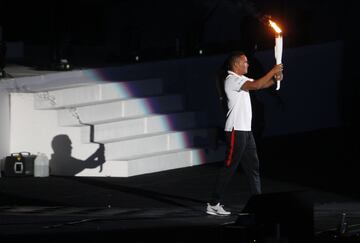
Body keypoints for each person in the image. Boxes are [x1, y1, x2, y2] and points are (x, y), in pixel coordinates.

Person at [206, 51, 283, 216]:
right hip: (235, 130)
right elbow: (255, 86)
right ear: (236, 65)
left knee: (253, 167)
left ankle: (258, 203)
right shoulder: (231, 80)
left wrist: (275, 79)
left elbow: (260, 84)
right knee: (229, 167)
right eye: (245, 62)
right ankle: (213, 203)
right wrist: (273, 70)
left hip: (246, 131)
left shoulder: (241, 79)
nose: (248, 64)